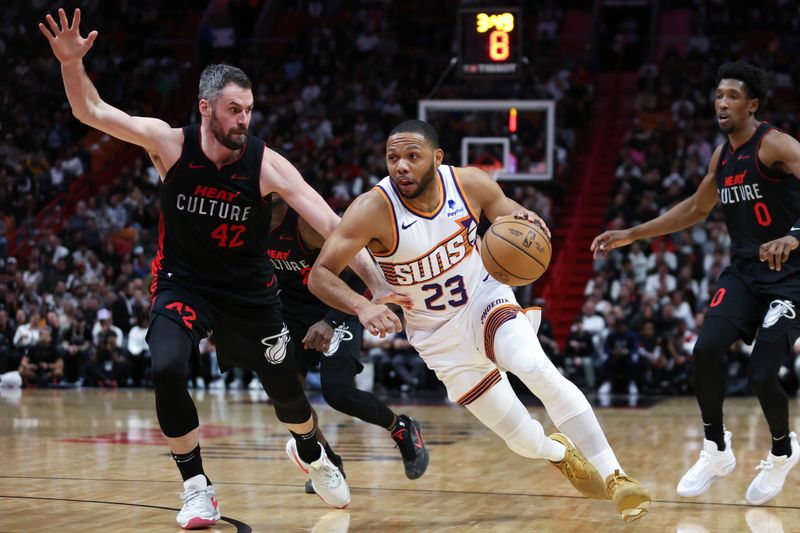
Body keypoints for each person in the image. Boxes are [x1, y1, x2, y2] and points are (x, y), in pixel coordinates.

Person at [40, 8, 398, 529]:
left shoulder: (266, 164)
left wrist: (378, 288)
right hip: (183, 284)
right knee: (165, 369)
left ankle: (310, 450)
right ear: (206, 108)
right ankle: (197, 487)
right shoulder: (169, 145)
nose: (244, 120)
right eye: (234, 110)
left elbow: (335, 225)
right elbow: (91, 110)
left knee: (290, 401)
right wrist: (72, 64)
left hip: (251, 293)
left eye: (249, 110)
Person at [308, 119, 651, 523]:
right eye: (393, 157)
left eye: (412, 156)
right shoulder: (371, 209)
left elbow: (514, 219)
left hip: (485, 301)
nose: (401, 165)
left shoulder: (471, 184)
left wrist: (527, 222)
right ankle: (560, 453)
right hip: (437, 338)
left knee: (534, 367)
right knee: (521, 439)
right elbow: (320, 275)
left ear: (437, 158)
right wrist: (363, 306)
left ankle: (616, 476)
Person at [591, 61, 800, 505]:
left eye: (733, 96)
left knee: (761, 374)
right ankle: (715, 448)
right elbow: (693, 209)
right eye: (718, 95)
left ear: (753, 104)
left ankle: (783, 451)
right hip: (744, 271)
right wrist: (630, 234)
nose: (722, 103)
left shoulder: (776, 144)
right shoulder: (722, 157)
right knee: (704, 350)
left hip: (791, 279)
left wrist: (794, 236)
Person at [267, 195, 429, 494]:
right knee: (286, 397)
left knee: (337, 393)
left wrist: (330, 320)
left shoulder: (305, 226)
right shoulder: (249, 226)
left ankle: (401, 428)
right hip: (292, 313)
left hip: (338, 306)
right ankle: (327, 462)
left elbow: (360, 273)